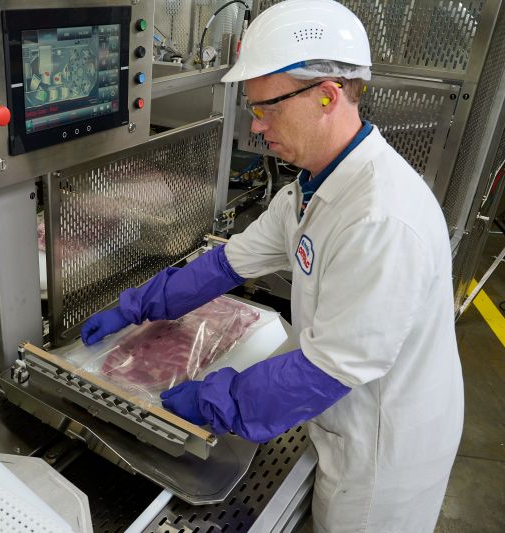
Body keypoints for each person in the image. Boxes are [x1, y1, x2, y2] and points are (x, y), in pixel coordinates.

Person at [80, 1, 464, 531]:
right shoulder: (312, 184)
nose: (256, 127)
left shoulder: (380, 220)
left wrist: (216, 400)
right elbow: (228, 263)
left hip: (380, 447)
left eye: (268, 108)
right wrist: (136, 307)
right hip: (342, 417)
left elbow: (328, 370)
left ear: (327, 96)